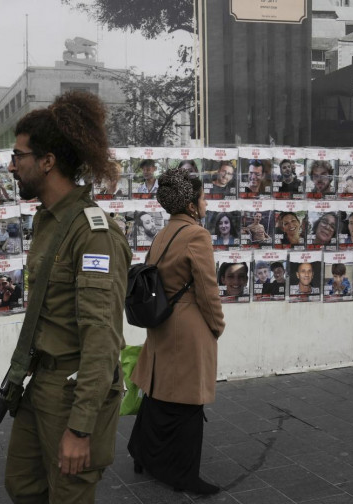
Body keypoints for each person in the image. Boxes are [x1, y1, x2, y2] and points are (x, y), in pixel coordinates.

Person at [4, 90, 131, 503]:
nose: (11, 166)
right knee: (22, 486)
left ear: (47, 161)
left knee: (68, 496)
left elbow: (102, 337)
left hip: (72, 391)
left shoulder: (93, 233)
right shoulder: (48, 220)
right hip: (40, 381)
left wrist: (80, 428)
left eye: (18, 155)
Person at [128, 167, 225, 495]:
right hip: (187, 330)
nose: (206, 203)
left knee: (158, 395)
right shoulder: (197, 235)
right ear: (191, 204)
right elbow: (207, 290)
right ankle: (184, 475)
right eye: (203, 197)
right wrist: (217, 325)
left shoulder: (162, 233)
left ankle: (142, 452)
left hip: (162, 326)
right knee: (188, 404)